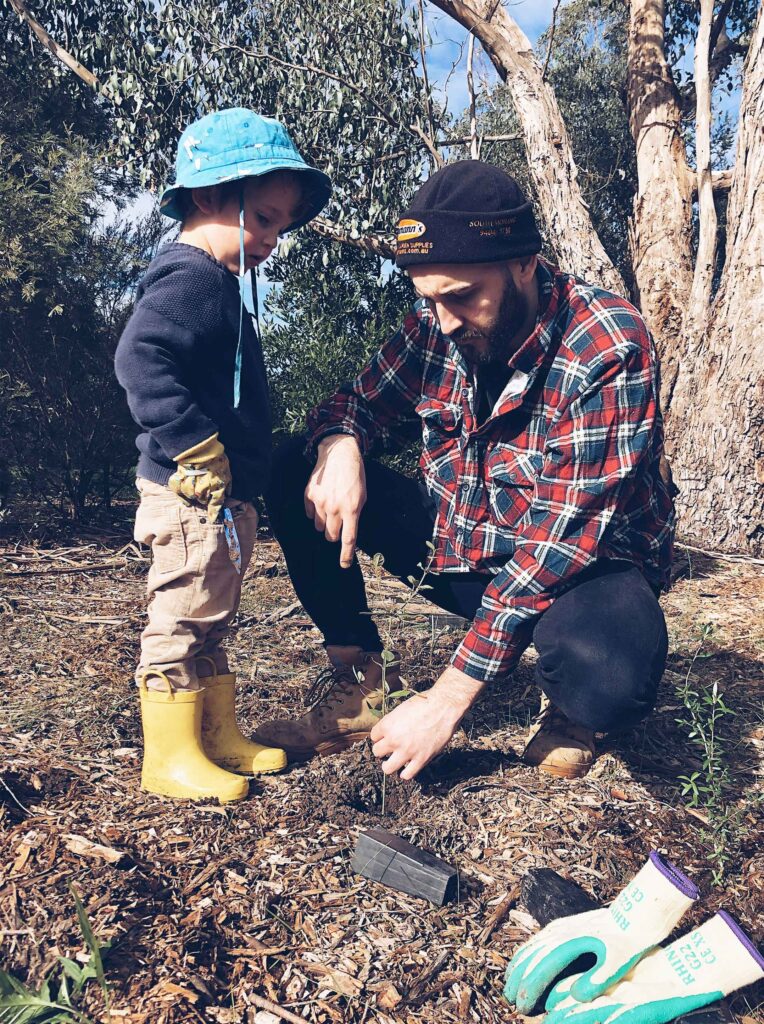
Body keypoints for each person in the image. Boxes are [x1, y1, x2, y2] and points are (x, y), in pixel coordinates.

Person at [254, 160, 674, 781]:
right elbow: (355, 402)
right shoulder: (438, 322)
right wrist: (341, 444)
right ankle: (361, 679)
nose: (445, 319)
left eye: (461, 296)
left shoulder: (607, 346)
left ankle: (572, 713)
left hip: (582, 568)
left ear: (524, 264)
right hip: (467, 545)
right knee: (295, 464)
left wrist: (449, 697)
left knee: (611, 674)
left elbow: (559, 545)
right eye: (429, 297)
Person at [115, 107, 331, 802]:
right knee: (181, 616)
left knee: (211, 613)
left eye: (278, 225)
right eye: (263, 218)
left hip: (218, 496)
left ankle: (214, 735)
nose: (272, 239)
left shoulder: (217, 284)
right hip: (189, 494)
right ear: (211, 196)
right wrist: (195, 445)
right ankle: (169, 757)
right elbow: (139, 358)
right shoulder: (193, 280)